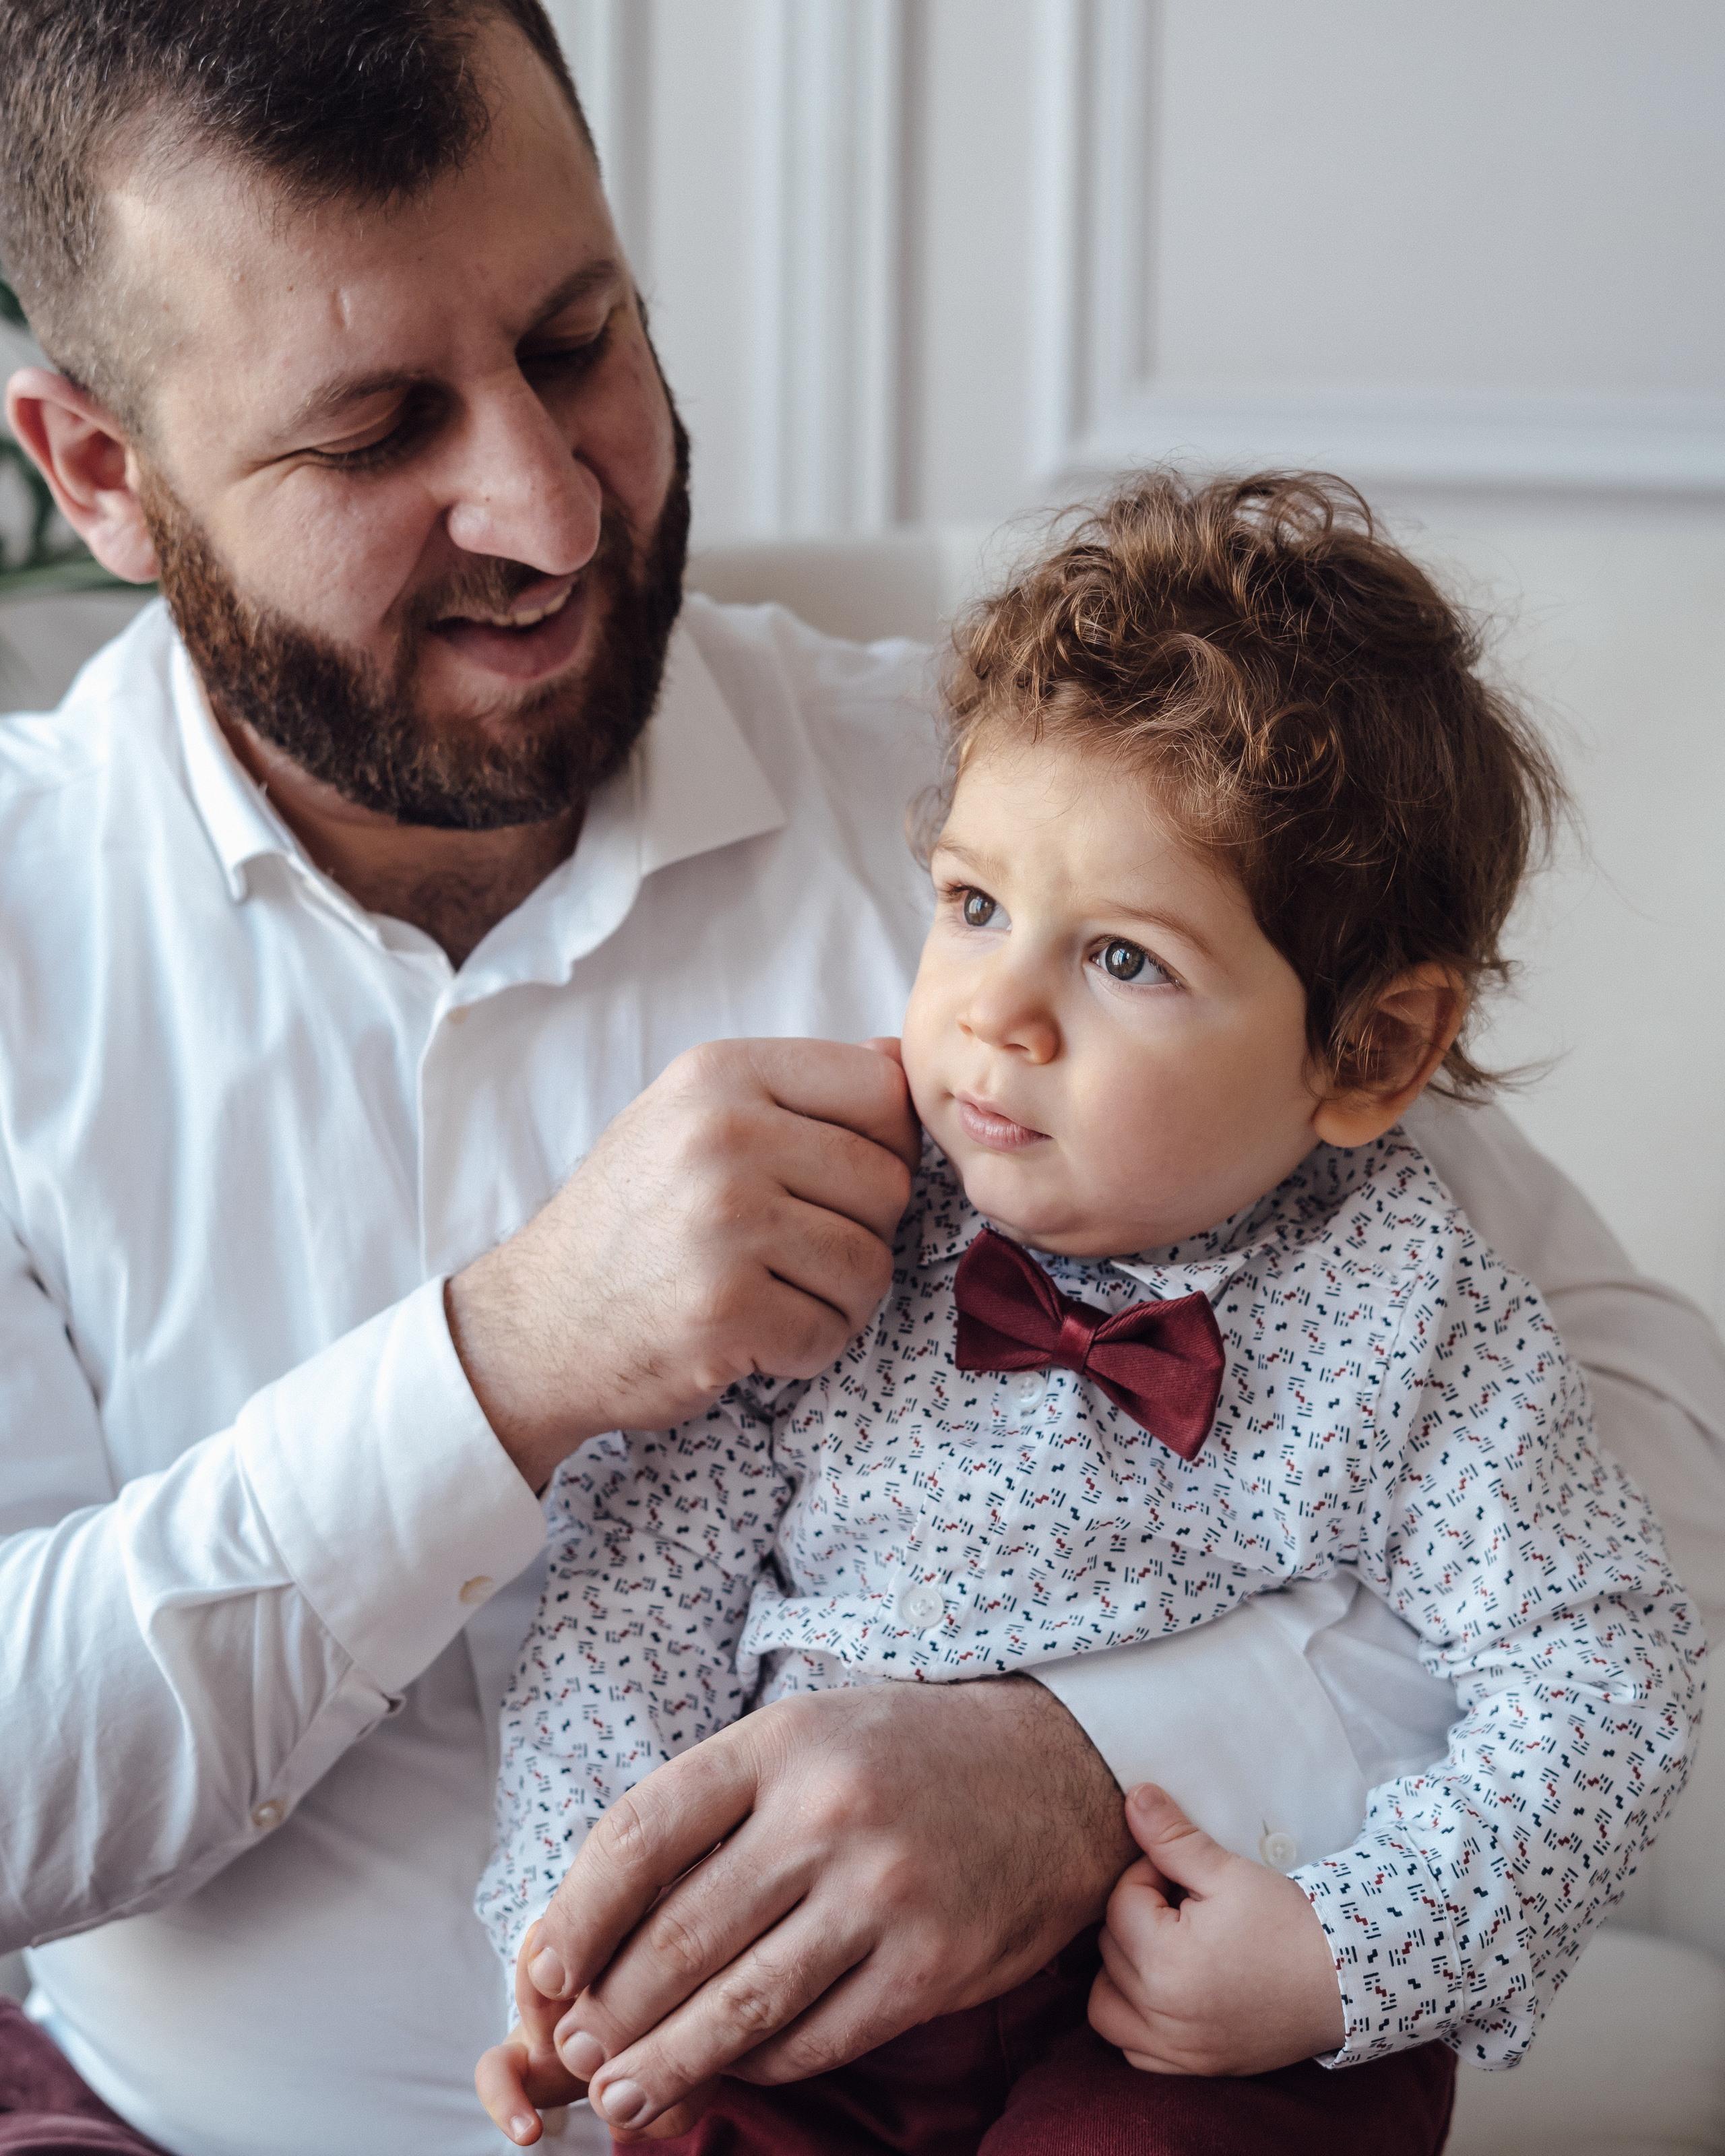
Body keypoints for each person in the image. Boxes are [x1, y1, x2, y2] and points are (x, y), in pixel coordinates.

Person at [0, 5, 1719, 2154]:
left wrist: (1084, 1765)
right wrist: (503, 1364)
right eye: (371, 434)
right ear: (100, 476)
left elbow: (1640, 1430)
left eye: (578, 338)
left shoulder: (1027, 814)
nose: (543, 509)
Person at [470, 474, 1697, 2154]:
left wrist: (1347, 1956)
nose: (995, 1015)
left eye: (1121, 959)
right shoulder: (840, 1216)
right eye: (972, 907)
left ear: (1369, 1053)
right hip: (817, 1990)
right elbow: (633, 1596)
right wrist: (571, 1934)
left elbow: (1596, 1664)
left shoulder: (1419, 1309)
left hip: (1202, 2000)